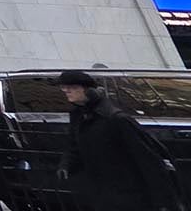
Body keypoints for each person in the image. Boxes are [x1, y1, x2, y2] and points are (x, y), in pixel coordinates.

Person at [58, 69, 181, 211]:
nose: (67, 91)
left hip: (129, 190)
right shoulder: (79, 116)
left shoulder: (115, 119)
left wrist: (164, 201)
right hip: (102, 188)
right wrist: (66, 164)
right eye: (64, 88)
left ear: (88, 90)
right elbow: (74, 145)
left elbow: (148, 159)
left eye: (73, 88)